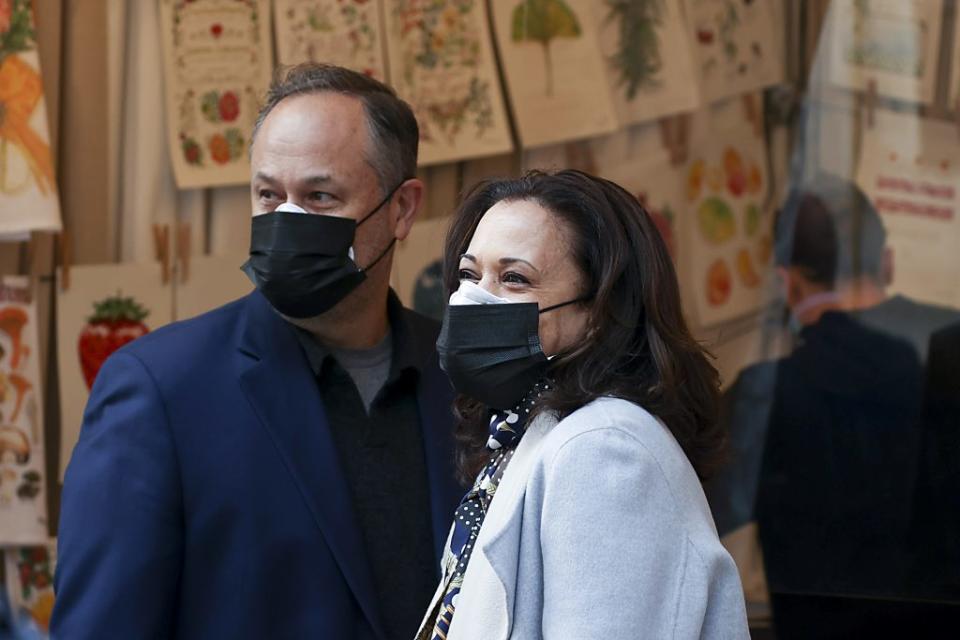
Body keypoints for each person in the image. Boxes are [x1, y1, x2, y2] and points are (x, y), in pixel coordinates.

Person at [52, 64, 462, 639]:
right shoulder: (161, 391)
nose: (287, 221)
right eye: (269, 195)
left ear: (402, 209)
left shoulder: (463, 377)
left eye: (320, 196)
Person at [415, 170, 749, 639]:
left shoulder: (605, 450)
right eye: (469, 274)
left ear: (600, 312)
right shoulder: (533, 432)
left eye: (514, 279)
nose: (473, 298)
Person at [705, 175, 960, 636]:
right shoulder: (948, 348)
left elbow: (692, 519)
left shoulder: (768, 395)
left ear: (788, 284)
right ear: (887, 262)